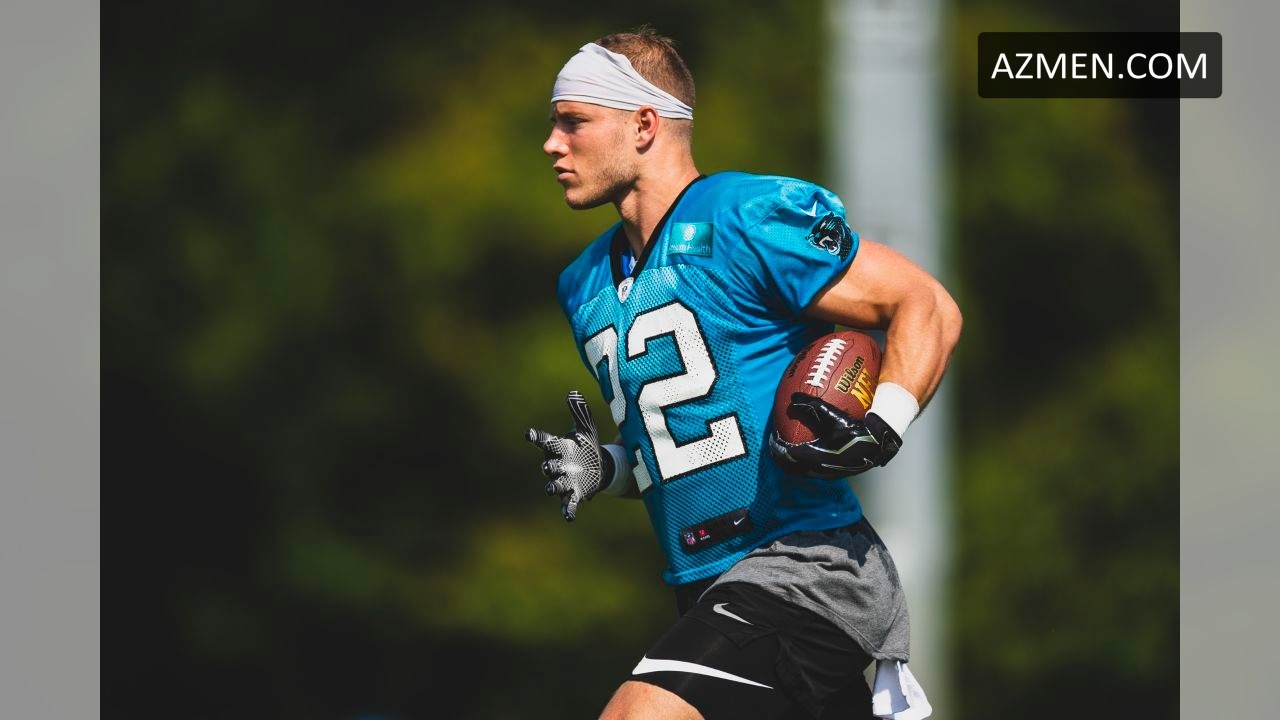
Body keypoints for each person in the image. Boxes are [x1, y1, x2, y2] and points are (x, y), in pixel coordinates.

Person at [526, 28, 961, 720]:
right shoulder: (585, 285)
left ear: (644, 124)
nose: (553, 143)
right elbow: (694, 440)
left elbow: (924, 303)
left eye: (573, 121)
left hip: (807, 569)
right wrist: (609, 466)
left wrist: (884, 424)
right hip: (704, 584)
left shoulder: (745, 218)